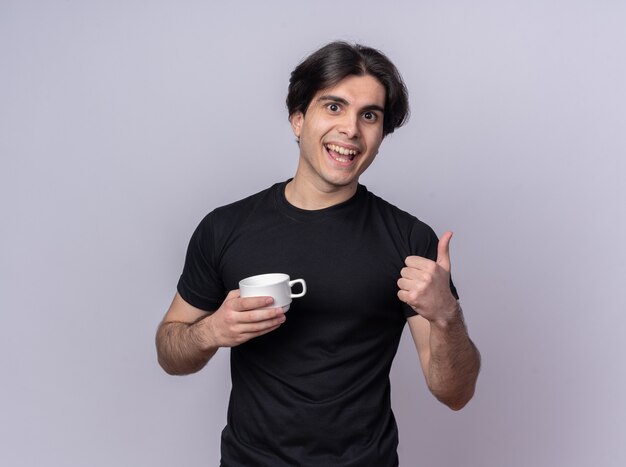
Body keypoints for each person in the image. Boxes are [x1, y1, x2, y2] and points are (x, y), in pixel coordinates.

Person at [156, 41, 480, 466]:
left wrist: (446, 315)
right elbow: (169, 350)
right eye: (333, 107)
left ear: (381, 134)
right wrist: (211, 332)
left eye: (369, 115)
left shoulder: (410, 240)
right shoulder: (224, 228)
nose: (351, 129)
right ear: (298, 119)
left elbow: (454, 393)